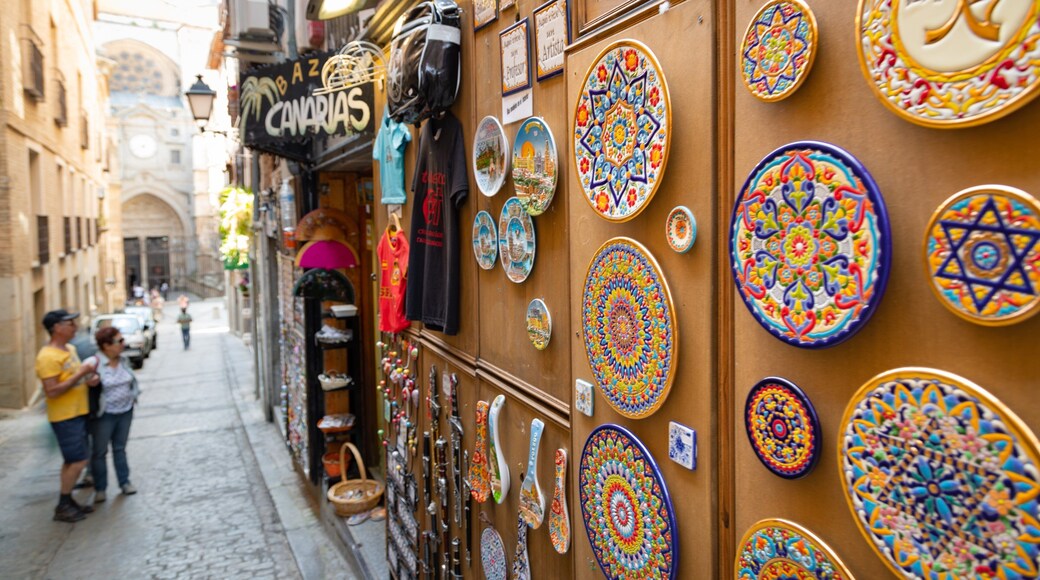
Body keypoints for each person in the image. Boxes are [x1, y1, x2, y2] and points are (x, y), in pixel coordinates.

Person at [35, 309, 99, 523]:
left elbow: (72, 379)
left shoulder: (69, 349)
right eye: (70, 324)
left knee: (71, 461)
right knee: (79, 461)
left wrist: (86, 380)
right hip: (64, 416)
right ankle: (63, 504)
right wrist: (81, 374)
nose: (75, 327)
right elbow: (52, 390)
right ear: (57, 328)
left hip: (78, 412)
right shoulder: (47, 357)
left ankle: (68, 499)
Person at [83, 327, 139, 503]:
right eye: (119, 341)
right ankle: (100, 488)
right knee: (99, 452)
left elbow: (131, 381)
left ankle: (124, 482)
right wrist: (89, 384)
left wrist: (134, 396)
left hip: (125, 411)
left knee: (120, 448)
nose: (123, 344)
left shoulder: (123, 360)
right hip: (104, 415)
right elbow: (79, 385)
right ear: (106, 345)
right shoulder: (92, 363)